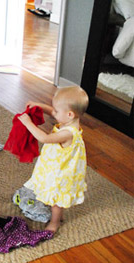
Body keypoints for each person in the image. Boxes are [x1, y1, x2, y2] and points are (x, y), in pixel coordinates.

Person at [17, 86, 89, 233]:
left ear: (69, 114)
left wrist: (27, 123)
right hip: (58, 165)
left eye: (56, 110)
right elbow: (53, 112)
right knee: (56, 196)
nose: (53, 112)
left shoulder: (68, 133)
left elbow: (45, 138)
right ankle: (58, 216)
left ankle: (54, 222)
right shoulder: (69, 121)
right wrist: (40, 106)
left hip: (61, 172)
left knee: (56, 199)